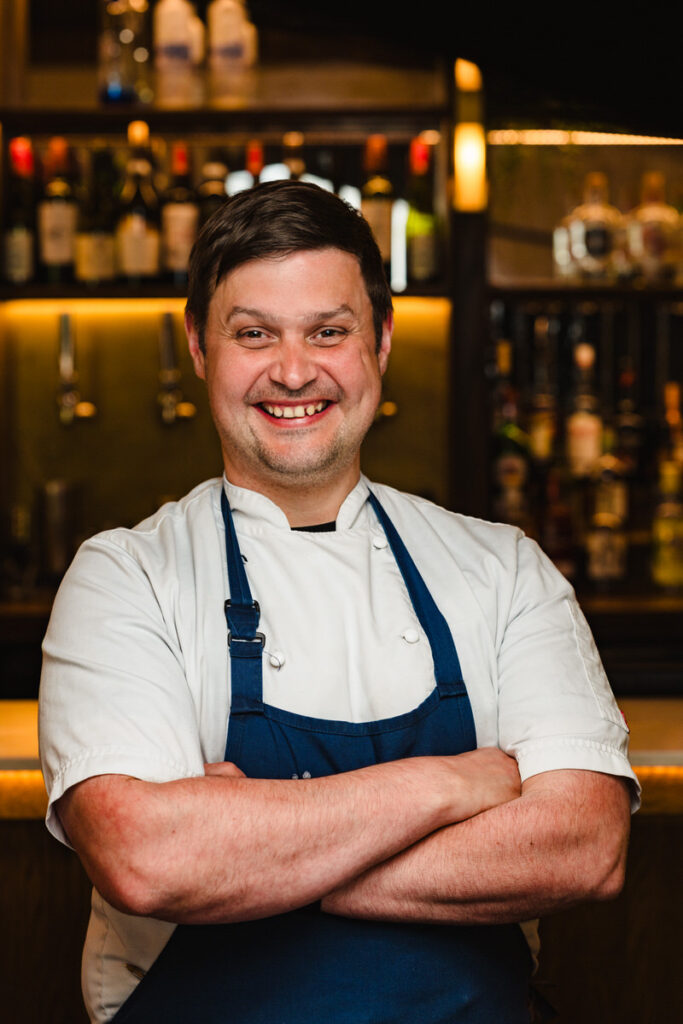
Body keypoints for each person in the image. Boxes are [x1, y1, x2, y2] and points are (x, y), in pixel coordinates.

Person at [39, 179, 639, 1024]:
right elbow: (149, 860)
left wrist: (253, 848)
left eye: (329, 331)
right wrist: (454, 785)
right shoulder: (124, 576)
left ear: (380, 343)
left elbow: (583, 848)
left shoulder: (503, 568)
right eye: (254, 334)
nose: (293, 370)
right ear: (199, 347)